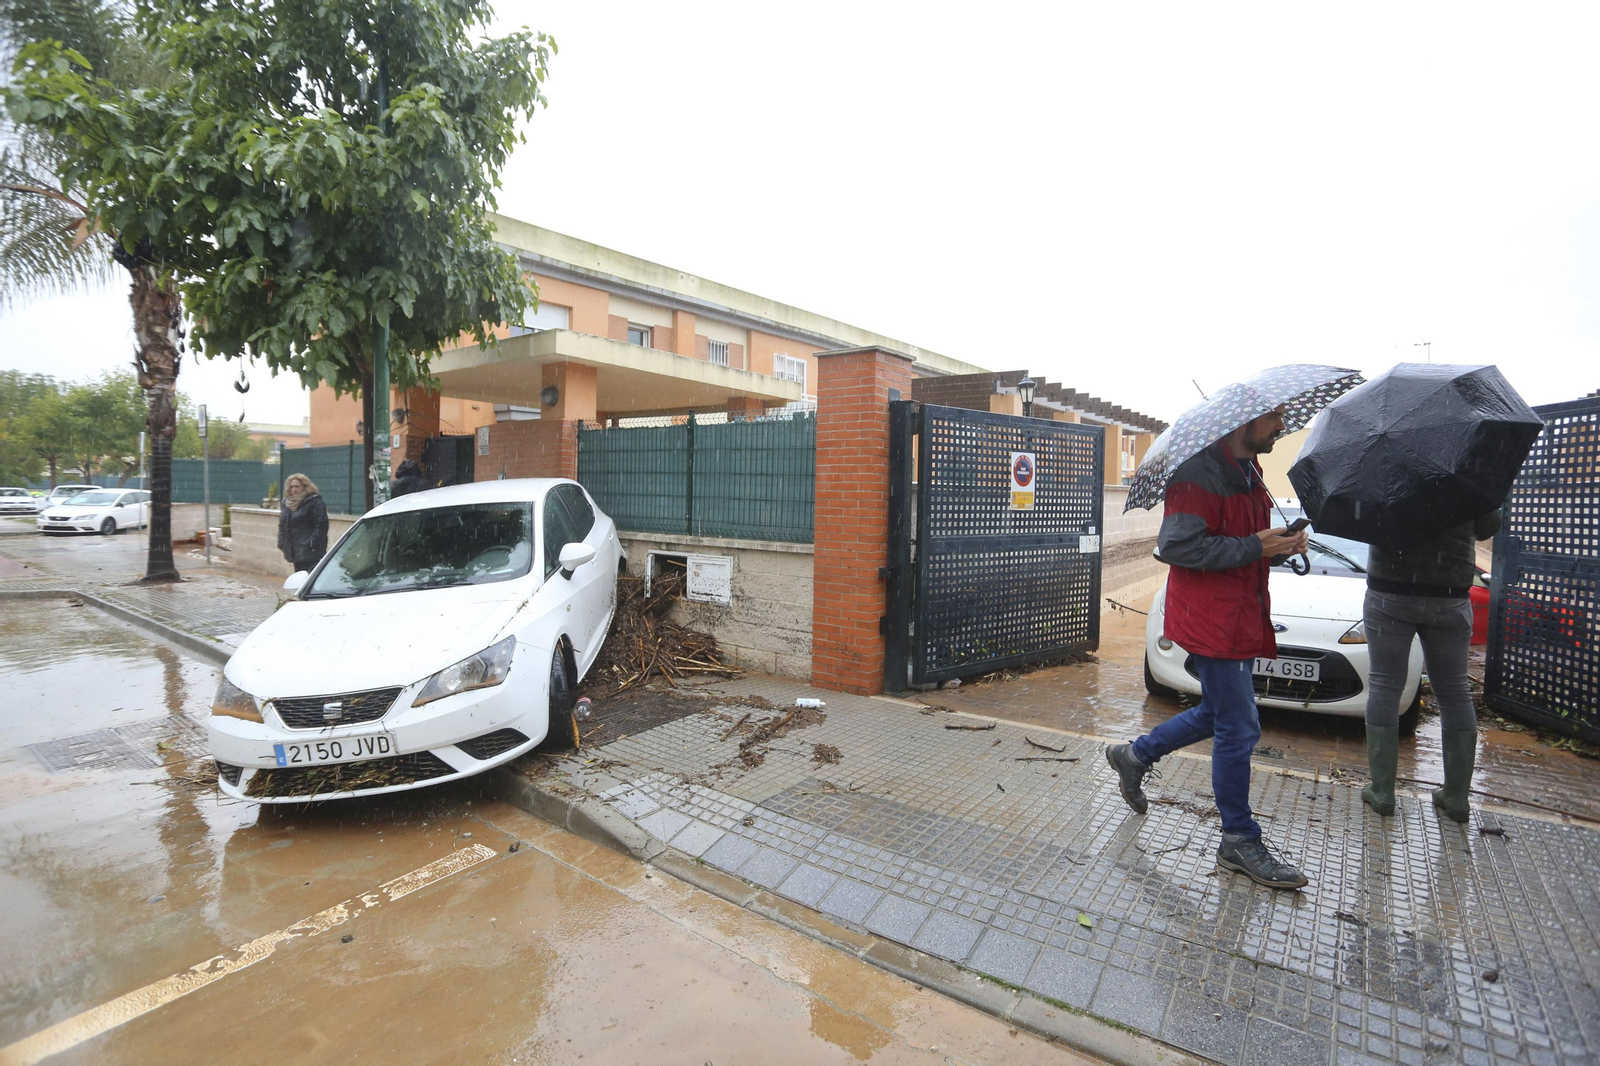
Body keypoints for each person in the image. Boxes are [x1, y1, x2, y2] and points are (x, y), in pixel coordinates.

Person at [1105, 405, 1312, 889]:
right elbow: (1177, 547)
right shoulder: (1198, 473)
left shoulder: (1250, 469)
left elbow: (1241, 541)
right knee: (1239, 725)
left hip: (1240, 610)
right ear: (1244, 421)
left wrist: (1279, 545)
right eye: (1274, 419)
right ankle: (1238, 839)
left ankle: (1133, 756)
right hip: (1212, 616)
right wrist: (1255, 547)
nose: (1282, 427)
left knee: (1217, 712)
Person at [1360, 509, 1501, 822]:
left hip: (1389, 591)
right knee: (1455, 692)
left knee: (1384, 684)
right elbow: (1488, 526)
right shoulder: (1464, 470)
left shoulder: (1381, 467)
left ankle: (1382, 791)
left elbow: (1365, 524)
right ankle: (1457, 797)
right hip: (1449, 595)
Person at [278, 473, 329, 573]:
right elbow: (282, 525)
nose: (294, 489)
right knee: (299, 579)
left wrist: (310, 543)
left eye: (297, 486)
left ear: (305, 487)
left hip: (311, 553)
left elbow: (321, 526)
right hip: (294, 551)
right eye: (291, 487)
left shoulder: (314, 503)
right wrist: (281, 543)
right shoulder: (286, 503)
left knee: (309, 579)